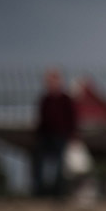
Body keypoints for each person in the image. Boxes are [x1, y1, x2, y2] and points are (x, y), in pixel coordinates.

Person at [32, 67, 78, 199]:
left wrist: (72, 136)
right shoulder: (45, 100)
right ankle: (41, 193)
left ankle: (58, 193)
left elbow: (72, 119)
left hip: (61, 136)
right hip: (46, 137)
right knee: (41, 164)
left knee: (59, 165)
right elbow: (41, 120)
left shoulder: (65, 100)